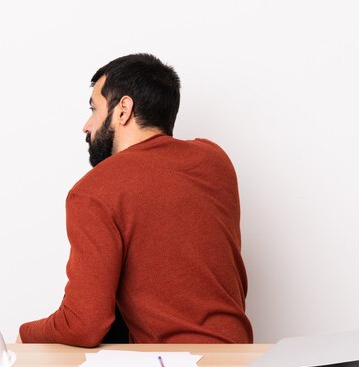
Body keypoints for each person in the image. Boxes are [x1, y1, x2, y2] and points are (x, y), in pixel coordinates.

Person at [19, 53, 253, 346]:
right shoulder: (215, 161)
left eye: (95, 109)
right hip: (240, 360)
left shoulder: (94, 191)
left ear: (123, 110)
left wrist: (24, 333)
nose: (87, 125)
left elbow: (83, 325)